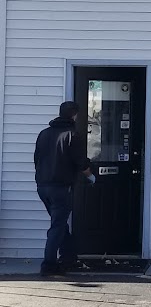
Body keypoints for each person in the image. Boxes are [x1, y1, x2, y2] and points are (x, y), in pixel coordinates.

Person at [34, 101, 95, 277]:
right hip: (61, 187)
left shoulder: (44, 134)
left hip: (42, 186)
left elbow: (37, 159)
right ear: (74, 115)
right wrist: (91, 176)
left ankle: (69, 256)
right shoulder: (72, 135)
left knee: (59, 223)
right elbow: (81, 163)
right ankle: (49, 265)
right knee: (58, 226)